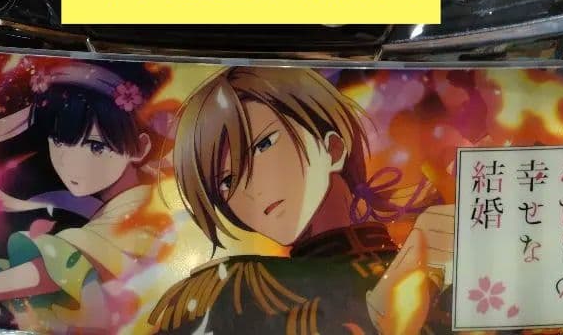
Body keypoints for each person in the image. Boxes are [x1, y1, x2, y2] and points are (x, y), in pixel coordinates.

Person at [149, 66, 454, 335]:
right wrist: (377, 314)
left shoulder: (422, 249)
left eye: (264, 144)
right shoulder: (232, 291)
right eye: (226, 181)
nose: (249, 188)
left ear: (333, 148)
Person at [0, 62, 170, 329]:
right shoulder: (127, 205)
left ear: (140, 147)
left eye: (96, 146)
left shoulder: (138, 215)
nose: (71, 163)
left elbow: (59, 267)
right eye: (59, 141)